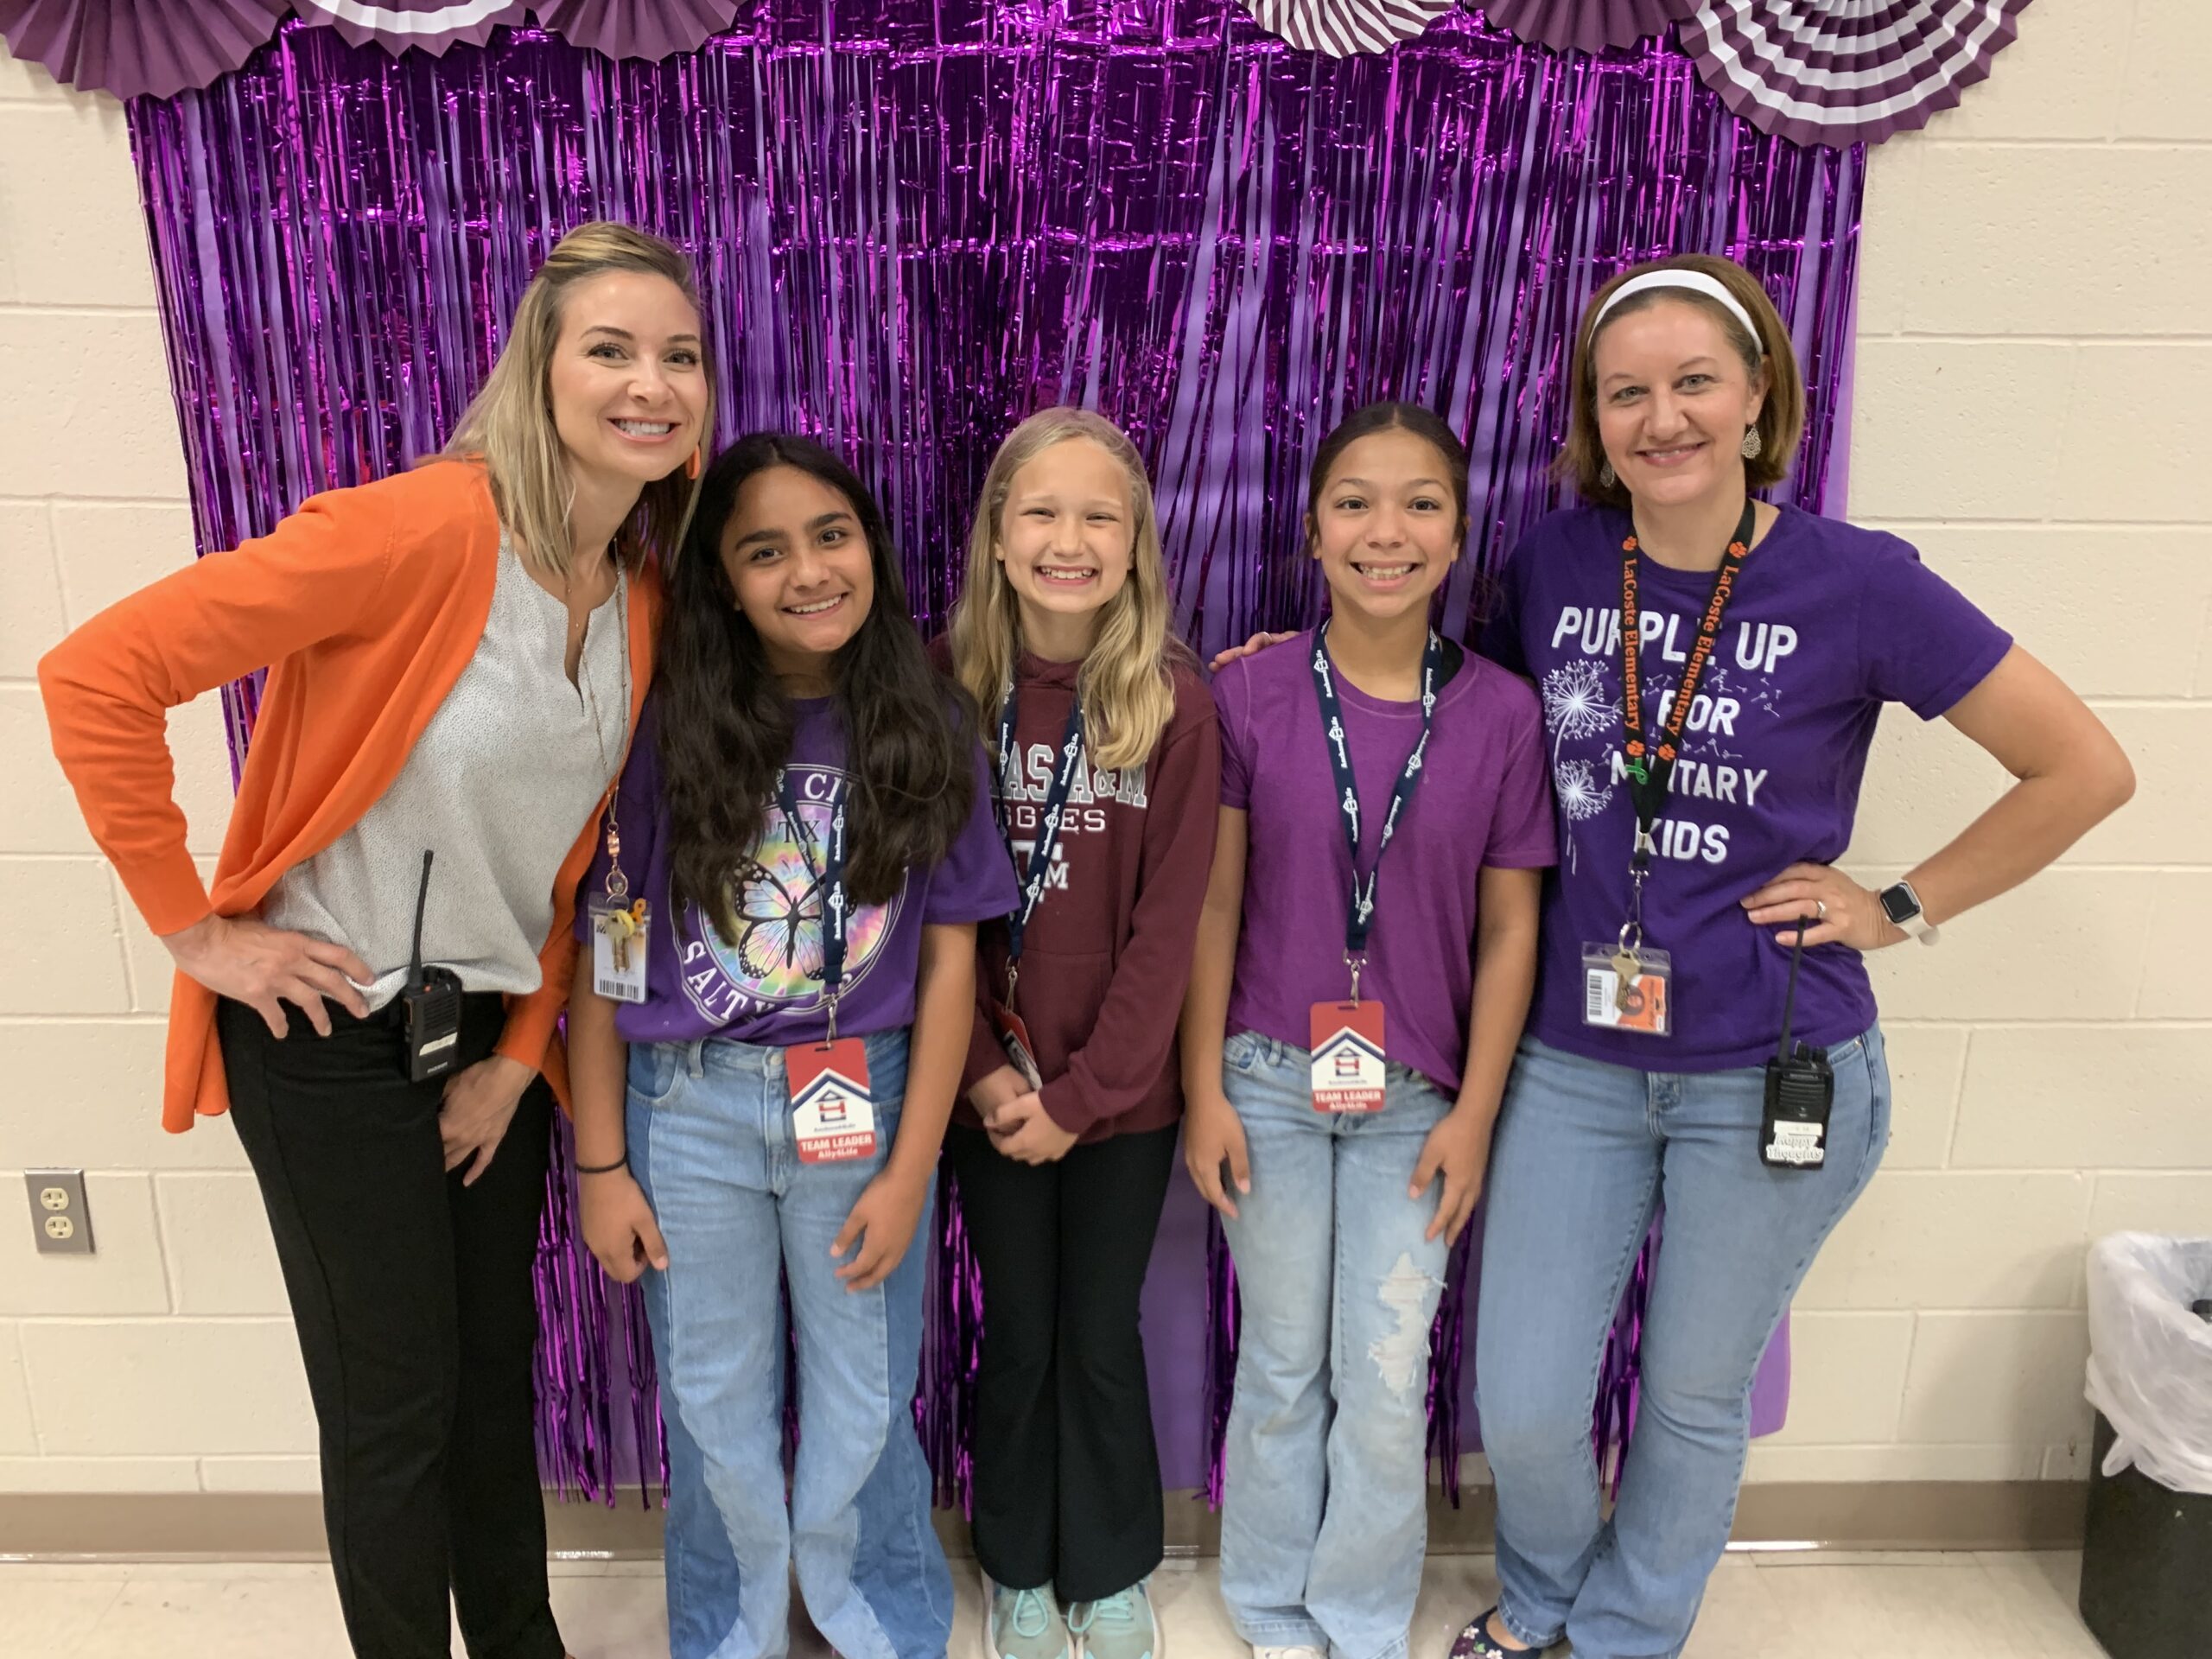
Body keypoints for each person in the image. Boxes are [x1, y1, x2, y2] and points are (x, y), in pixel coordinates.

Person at [1439, 254, 2136, 1659]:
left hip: (1772, 1060)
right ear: (1592, 420)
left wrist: (1899, 903)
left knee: (1692, 1396)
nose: (1663, 418)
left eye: (1696, 381)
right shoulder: (1558, 561)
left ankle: (1625, 1636)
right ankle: (1547, 1596)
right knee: (1524, 1399)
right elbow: (1470, 723)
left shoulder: (1857, 581)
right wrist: (1301, 671)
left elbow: (2084, 768)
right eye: (1626, 393)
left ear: (1760, 396)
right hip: (1574, 1059)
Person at [37, 221, 708, 1659]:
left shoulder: (640, 595)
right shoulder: (418, 529)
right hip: (325, 1032)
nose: (650, 383)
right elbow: (98, 675)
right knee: (393, 1406)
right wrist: (195, 931)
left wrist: (517, 1055)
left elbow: (574, 865)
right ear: (539, 372)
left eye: (681, 355)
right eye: (610, 349)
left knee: (489, 1388)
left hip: (486, 1046)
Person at [566, 433, 1018, 1659]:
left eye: (831, 535)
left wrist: (913, 1167)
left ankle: (876, 1622)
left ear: (872, 543)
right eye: (764, 552)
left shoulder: (930, 723)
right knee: (711, 1401)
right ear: (721, 583)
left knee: (865, 1390)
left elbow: (951, 965)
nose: (809, 571)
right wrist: (601, 1164)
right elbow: (607, 958)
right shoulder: (663, 730)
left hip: (862, 1098)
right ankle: (733, 1633)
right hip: (687, 1109)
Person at [1180, 403, 1554, 1659]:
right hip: (1264, 1081)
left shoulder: (1504, 715)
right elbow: (1215, 905)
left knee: (1388, 1380)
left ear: (1458, 535)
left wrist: (1476, 1115)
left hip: (1417, 1100)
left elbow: (1511, 931)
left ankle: (1358, 1612)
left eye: (1419, 504)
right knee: (1282, 1366)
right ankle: (1269, 1603)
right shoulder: (1246, 692)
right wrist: (1203, 1089)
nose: (1384, 531)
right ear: (1311, 531)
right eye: (1354, 502)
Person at [938, 408, 1221, 1659]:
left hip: (1122, 1099)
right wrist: (987, 1078)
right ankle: (1015, 1566)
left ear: (1136, 542)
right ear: (998, 537)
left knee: (1100, 1333)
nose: (1070, 539)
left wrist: (1085, 1094)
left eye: (1100, 516)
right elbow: (919, 914)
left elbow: (1169, 933)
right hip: (985, 1089)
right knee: (1019, 1331)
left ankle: (1108, 1571)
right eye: (1042, 512)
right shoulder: (944, 691)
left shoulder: (1174, 704)